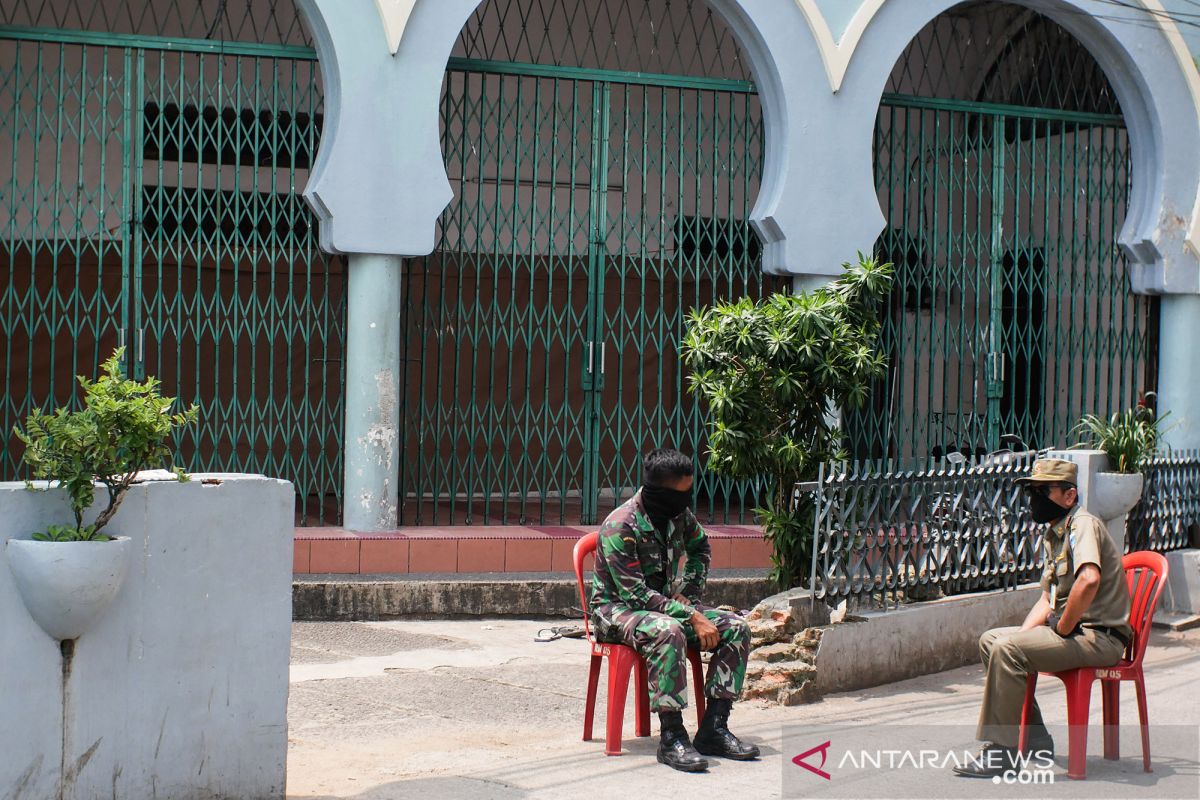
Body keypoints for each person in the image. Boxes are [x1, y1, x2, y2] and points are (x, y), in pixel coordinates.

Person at [954, 458, 1132, 778]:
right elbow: (1046, 599)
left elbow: (1089, 579)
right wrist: (1020, 639)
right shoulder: (1055, 533)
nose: (1035, 499)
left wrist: (1061, 628)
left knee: (1008, 649)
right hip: (1076, 631)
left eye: (1043, 491)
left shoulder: (1083, 526)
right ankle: (1035, 738)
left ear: (1069, 496)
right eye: (1032, 491)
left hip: (1099, 636)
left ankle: (1002, 752)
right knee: (994, 641)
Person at [590, 447, 760, 772]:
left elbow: (700, 548)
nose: (685, 503)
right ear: (659, 491)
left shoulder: (678, 515)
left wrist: (689, 597)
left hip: (664, 607)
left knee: (735, 627)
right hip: (616, 612)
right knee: (669, 631)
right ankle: (671, 737)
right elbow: (635, 594)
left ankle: (714, 728)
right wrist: (690, 615)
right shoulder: (620, 526)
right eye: (680, 494)